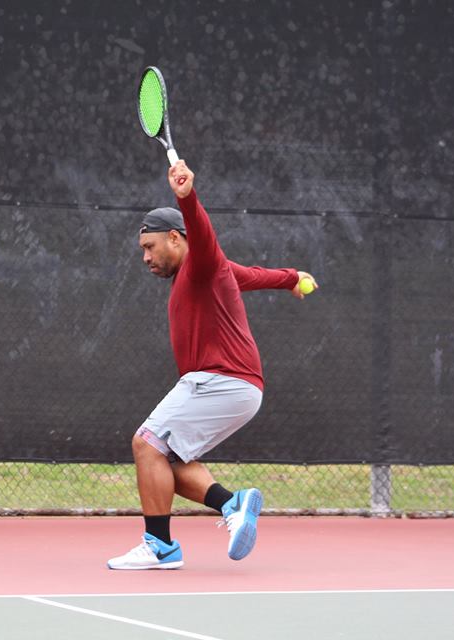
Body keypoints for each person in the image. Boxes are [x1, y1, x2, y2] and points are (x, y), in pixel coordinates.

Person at [107, 159, 317, 570]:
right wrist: (291, 277)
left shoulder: (201, 262)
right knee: (166, 459)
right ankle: (231, 504)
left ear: (175, 238)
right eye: (142, 251)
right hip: (239, 388)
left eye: (150, 247)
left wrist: (187, 197)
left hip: (219, 379)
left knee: (145, 443)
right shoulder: (210, 273)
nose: (146, 257)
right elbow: (253, 274)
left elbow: (202, 233)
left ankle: (160, 545)